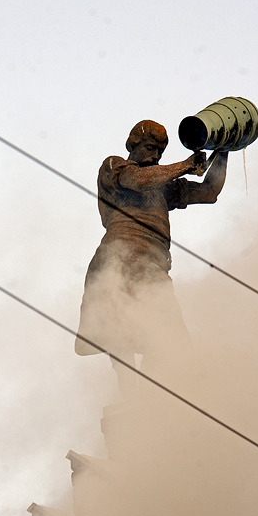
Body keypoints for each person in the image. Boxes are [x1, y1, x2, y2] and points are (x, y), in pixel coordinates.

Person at [75, 120, 228, 396]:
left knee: (173, 342)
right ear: (133, 144)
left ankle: (148, 399)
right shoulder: (114, 166)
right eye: (149, 147)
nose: (155, 156)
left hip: (154, 266)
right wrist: (184, 165)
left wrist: (224, 149)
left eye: (160, 150)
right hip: (119, 259)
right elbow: (138, 181)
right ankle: (131, 398)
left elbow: (209, 192)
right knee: (120, 332)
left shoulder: (162, 185)